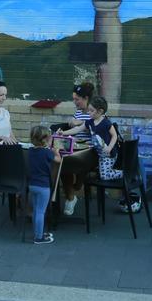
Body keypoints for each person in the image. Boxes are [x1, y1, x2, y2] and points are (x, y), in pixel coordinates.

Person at [87, 96, 139, 213]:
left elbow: (114, 135)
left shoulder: (106, 122)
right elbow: (79, 128)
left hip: (109, 154)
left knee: (104, 176)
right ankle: (127, 172)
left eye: (91, 110)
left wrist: (110, 147)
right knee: (102, 174)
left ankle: (126, 172)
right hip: (101, 154)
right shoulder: (90, 122)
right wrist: (63, 132)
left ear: (100, 111)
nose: (88, 112)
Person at [56, 82, 94, 215]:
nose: (75, 102)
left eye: (77, 99)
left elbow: (100, 125)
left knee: (70, 165)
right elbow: (75, 128)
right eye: (74, 99)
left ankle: (75, 187)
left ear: (86, 98)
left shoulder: (94, 111)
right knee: (61, 162)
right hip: (77, 149)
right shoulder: (78, 112)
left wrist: (82, 123)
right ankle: (71, 197)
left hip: (90, 152)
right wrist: (68, 126)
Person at [27, 125, 60, 245]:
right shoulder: (47, 153)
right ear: (45, 139)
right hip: (43, 186)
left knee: (36, 210)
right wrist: (56, 152)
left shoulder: (30, 151)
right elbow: (58, 160)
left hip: (32, 185)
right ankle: (39, 238)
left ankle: (37, 232)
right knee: (41, 211)